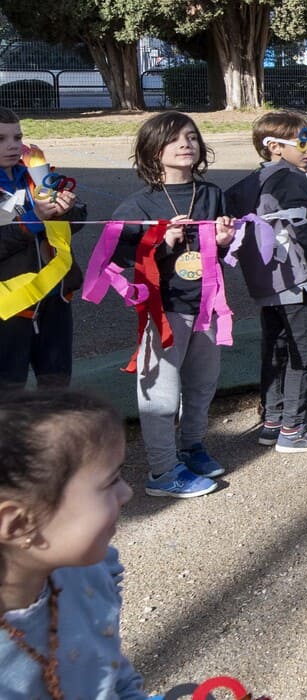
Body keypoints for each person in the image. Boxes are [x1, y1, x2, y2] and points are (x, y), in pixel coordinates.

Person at [109, 113, 236, 500]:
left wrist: (225, 239)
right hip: (162, 312)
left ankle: (192, 446)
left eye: (192, 137)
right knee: (160, 396)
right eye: (174, 139)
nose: (186, 144)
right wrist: (160, 244)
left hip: (207, 308)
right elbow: (117, 256)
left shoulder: (212, 193)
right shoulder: (138, 204)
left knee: (201, 385)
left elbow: (217, 250)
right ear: (152, 150)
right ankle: (163, 471)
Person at [0, 390, 148, 699]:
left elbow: (111, 670)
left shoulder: (91, 574)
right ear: (17, 524)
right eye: (111, 481)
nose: (127, 493)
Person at [223, 112, 307, 453]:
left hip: (264, 280)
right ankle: (294, 429)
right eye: (303, 141)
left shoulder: (245, 185)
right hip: (297, 276)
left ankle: (272, 421)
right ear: (273, 146)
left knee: (274, 348)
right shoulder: (292, 177)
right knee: (301, 352)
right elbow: (302, 227)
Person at [0, 109, 85, 390]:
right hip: (9, 308)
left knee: (57, 386)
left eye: (17, 137)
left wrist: (68, 209)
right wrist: (30, 223)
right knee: (8, 391)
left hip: (55, 300)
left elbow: (77, 223)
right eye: (1, 139)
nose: (12, 145)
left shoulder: (38, 177)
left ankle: (54, 435)